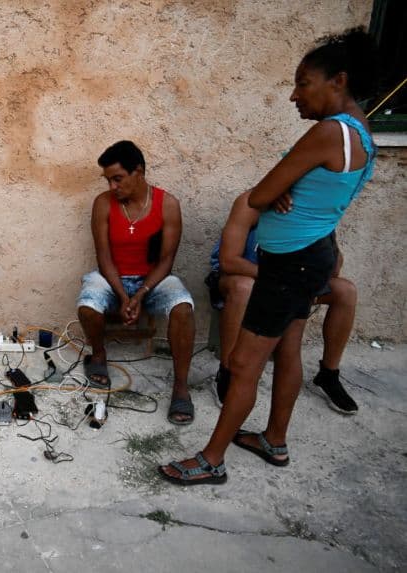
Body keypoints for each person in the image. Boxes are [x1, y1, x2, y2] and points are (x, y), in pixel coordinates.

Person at [160, 28, 377, 485]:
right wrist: (280, 191)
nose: (295, 95)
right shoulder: (362, 133)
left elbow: (260, 193)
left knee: (242, 364)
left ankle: (211, 459)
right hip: (310, 257)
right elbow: (288, 192)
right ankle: (274, 439)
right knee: (290, 350)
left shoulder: (329, 132)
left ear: (337, 81)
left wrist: (276, 191)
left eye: (303, 83)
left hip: (290, 264)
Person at [77, 140, 196, 424]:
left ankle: (181, 386)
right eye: (108, 180)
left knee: (183, 308)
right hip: (112, 277)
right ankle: (99, 355)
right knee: (87, 306)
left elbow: (167, 260)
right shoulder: (103, 204)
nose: (112, 187)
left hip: (153, 280)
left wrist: (140, 294)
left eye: (117, 179)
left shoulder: (168, 205)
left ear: (138, 172)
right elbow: (103, 256)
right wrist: (122, 294)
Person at [208, 190, 359, 414]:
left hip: (290, 283)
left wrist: (326, 230)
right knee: (243, 289)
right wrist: (281, 278)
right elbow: (229, 261)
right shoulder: (251, 203)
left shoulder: (316, 208)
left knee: (346, 291)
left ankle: (328, 373)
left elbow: (334, 270)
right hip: (247, 276)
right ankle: (227, 371)